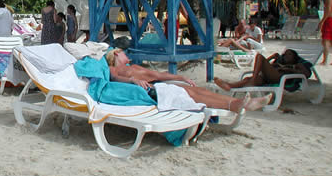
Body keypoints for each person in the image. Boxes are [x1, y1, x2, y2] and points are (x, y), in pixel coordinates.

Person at [105, 48, 271, 112]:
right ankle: (233, 105)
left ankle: (241, 102)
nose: (127, 54)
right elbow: (115, 78)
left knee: (199, 90)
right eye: (124, 51)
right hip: (152, 91)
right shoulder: (115, 68)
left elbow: (159, 75)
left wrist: (180, 76)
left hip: (158, 85)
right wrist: (133, 80)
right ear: (117, 54)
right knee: (191, 93)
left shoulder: (135, 67)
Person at [214, 49, 312, 91]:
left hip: (280, 77)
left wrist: (290, 70)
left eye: (289, 54)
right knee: (247, 80)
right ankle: (229, 86)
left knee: (259, 56)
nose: (286, 55)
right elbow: (265, 66)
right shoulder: (280, 61)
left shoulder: (297, 64)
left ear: (294, 57)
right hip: (269, 77)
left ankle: (253, 79)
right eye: (285, 54)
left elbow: (307, 74)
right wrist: (272, 57)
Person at [318, 0, 332, 65]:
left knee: (326, 40)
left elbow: (328, 10)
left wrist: (322, 21)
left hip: (329, 19)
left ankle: (325, 60)